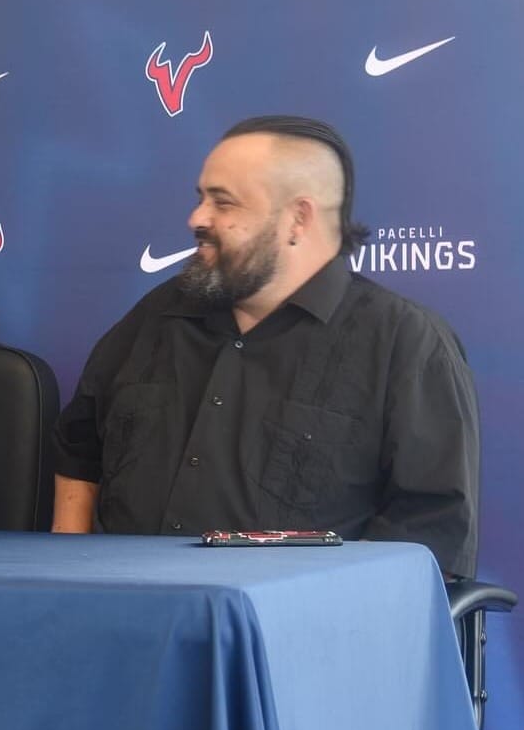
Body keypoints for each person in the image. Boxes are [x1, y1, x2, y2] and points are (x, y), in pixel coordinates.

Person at [52, 115, 480, 578]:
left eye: (223, 202)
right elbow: (79, 448)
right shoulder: (156, 316)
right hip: (127, 609)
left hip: (296, 622)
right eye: (201, 198)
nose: (197, 218)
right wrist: (72, 574)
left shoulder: (405, 342)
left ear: (298, 218)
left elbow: (430, 532)